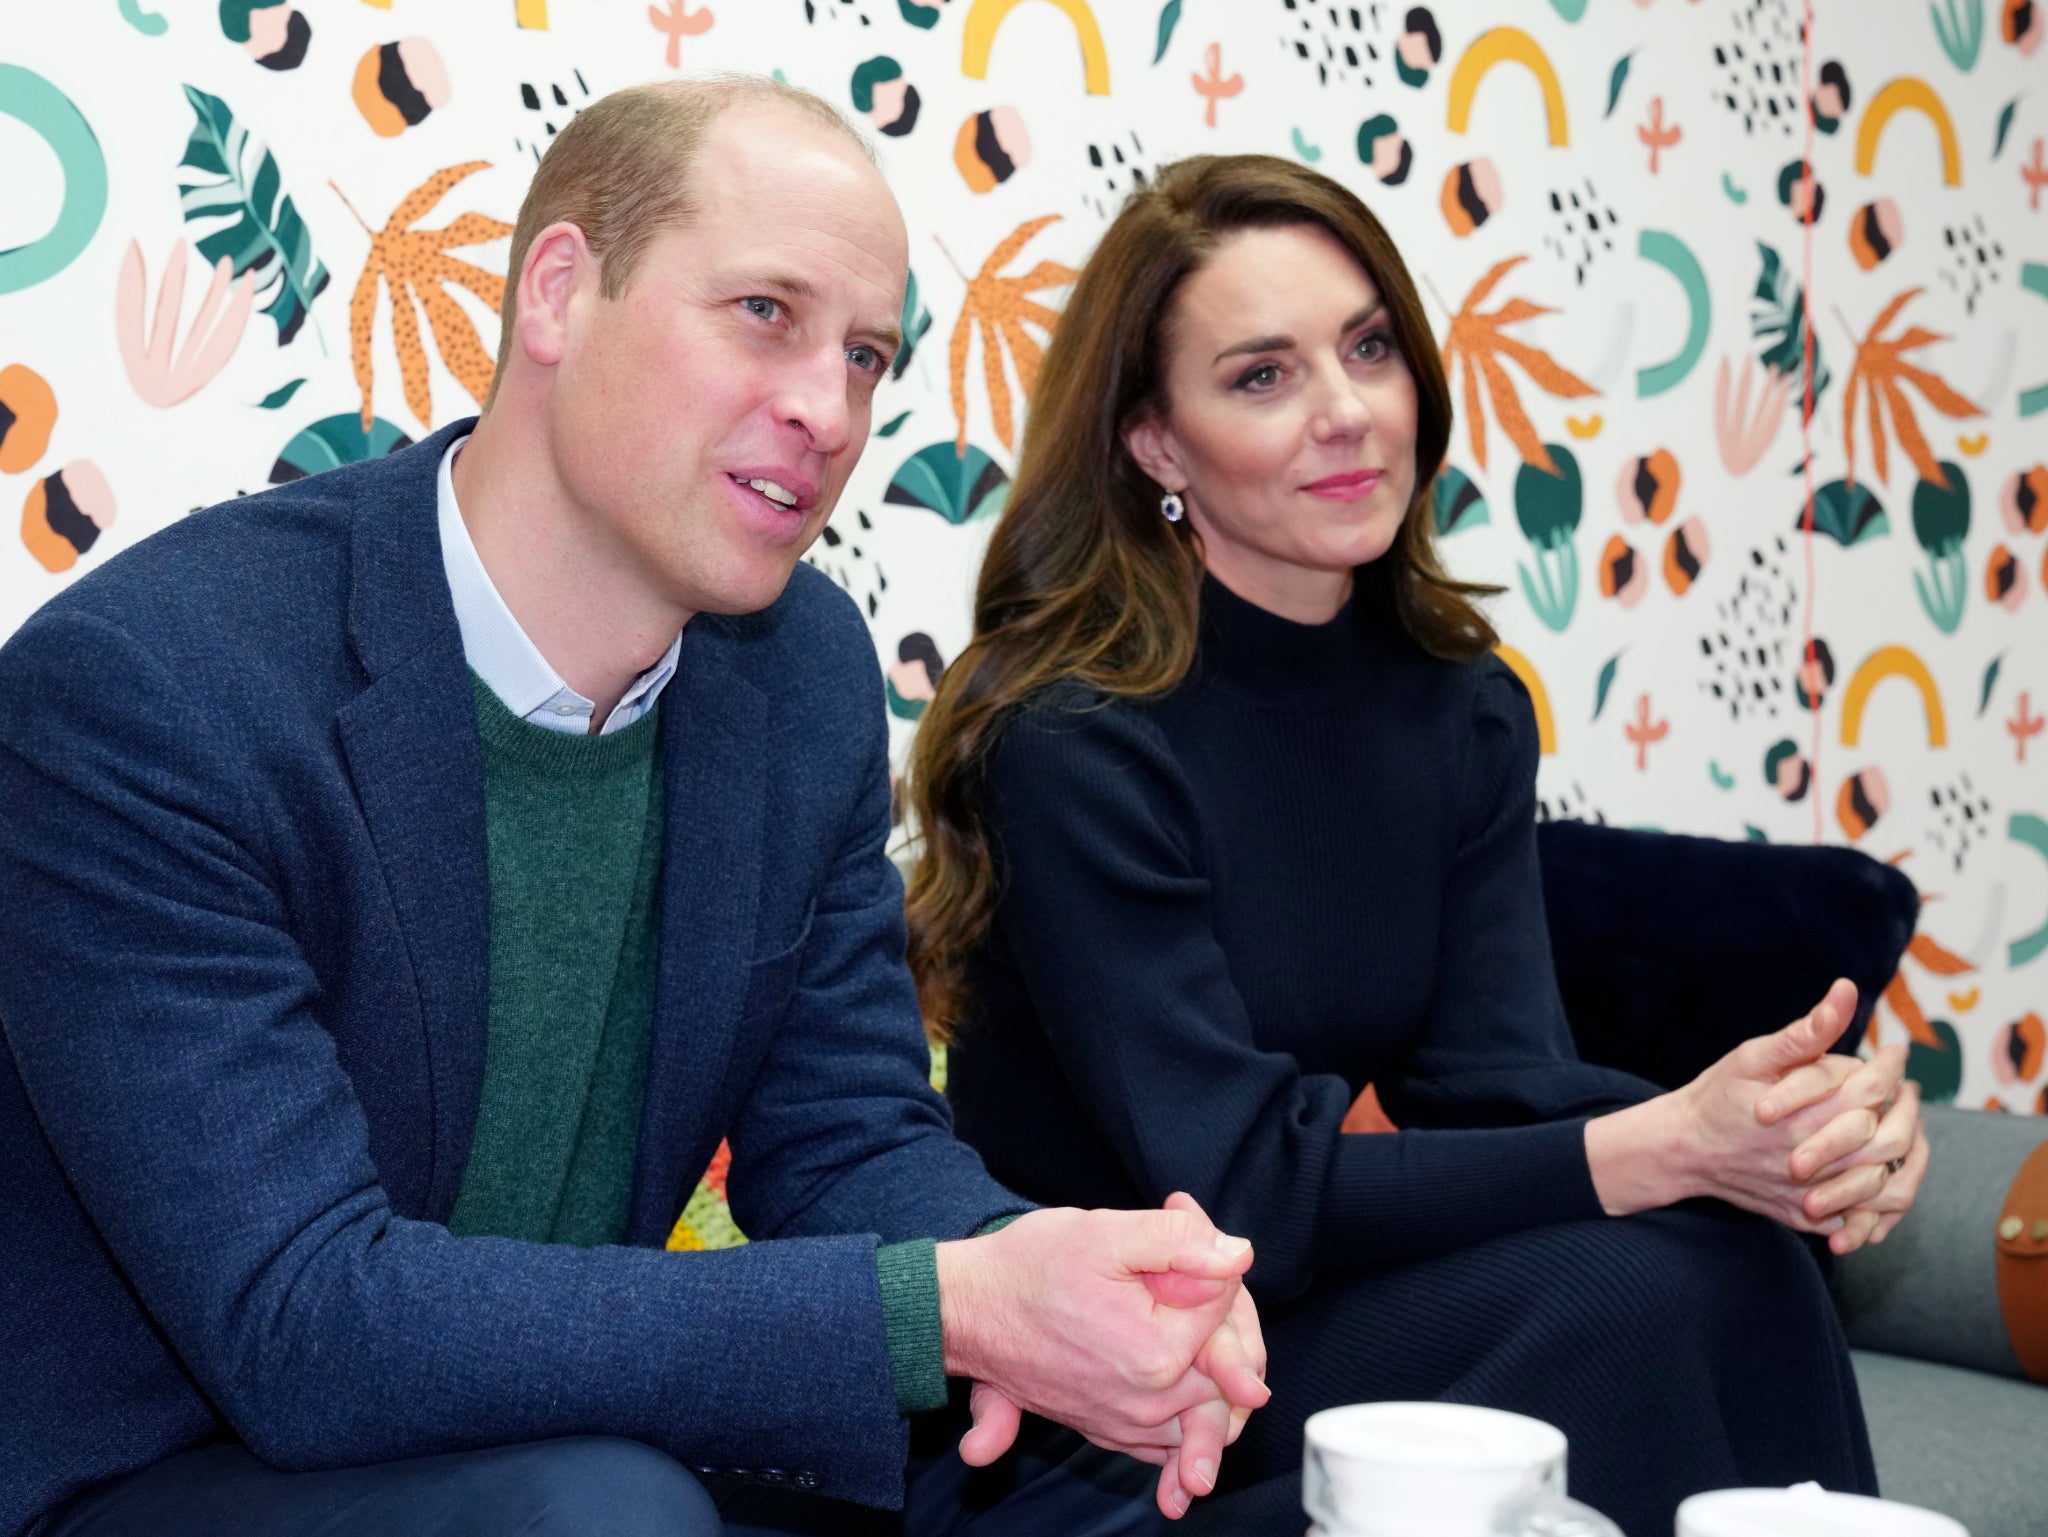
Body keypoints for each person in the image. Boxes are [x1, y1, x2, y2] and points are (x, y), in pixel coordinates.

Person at [0, 80, 1271, 1537]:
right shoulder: (151, 694)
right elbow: (304, 1320)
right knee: (611, 1510)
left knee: (1113, 1490)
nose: (828, 409)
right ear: (559, 291)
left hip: (562, 1433)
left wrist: (1055, 1271)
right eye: (764, 313)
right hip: (168, 1472)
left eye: (865, 355)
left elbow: (848, 1141)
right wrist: (955, 1307)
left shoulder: (796, 673)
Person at [905, 155, 1930, 1536]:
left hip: (1310, 1303)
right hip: (1119, 1392)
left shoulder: (1461, 706)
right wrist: (1670, 1142)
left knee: (1733, 1244)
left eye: (1369, 346)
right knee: (1637, 1290)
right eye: (1261, 376)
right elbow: (1244, 1176)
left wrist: (1780, 1131)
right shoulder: (1071, 737)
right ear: (1156, 443)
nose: (1346, 413)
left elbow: (1494, 1088)